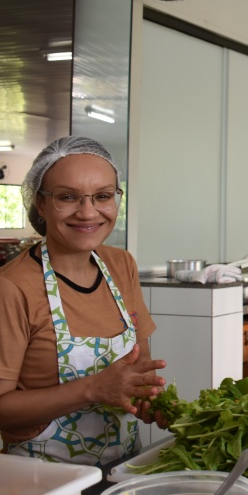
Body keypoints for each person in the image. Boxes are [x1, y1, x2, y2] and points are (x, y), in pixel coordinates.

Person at [0, 136, 167, 465]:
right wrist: (93, 389)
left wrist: (152, 401)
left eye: (103, 196)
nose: (88, 212)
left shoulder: (121, 265)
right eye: (68, 197)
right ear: (41, 203)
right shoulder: (12, 287)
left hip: (121, 468)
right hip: (43, 482)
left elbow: (137, 365)